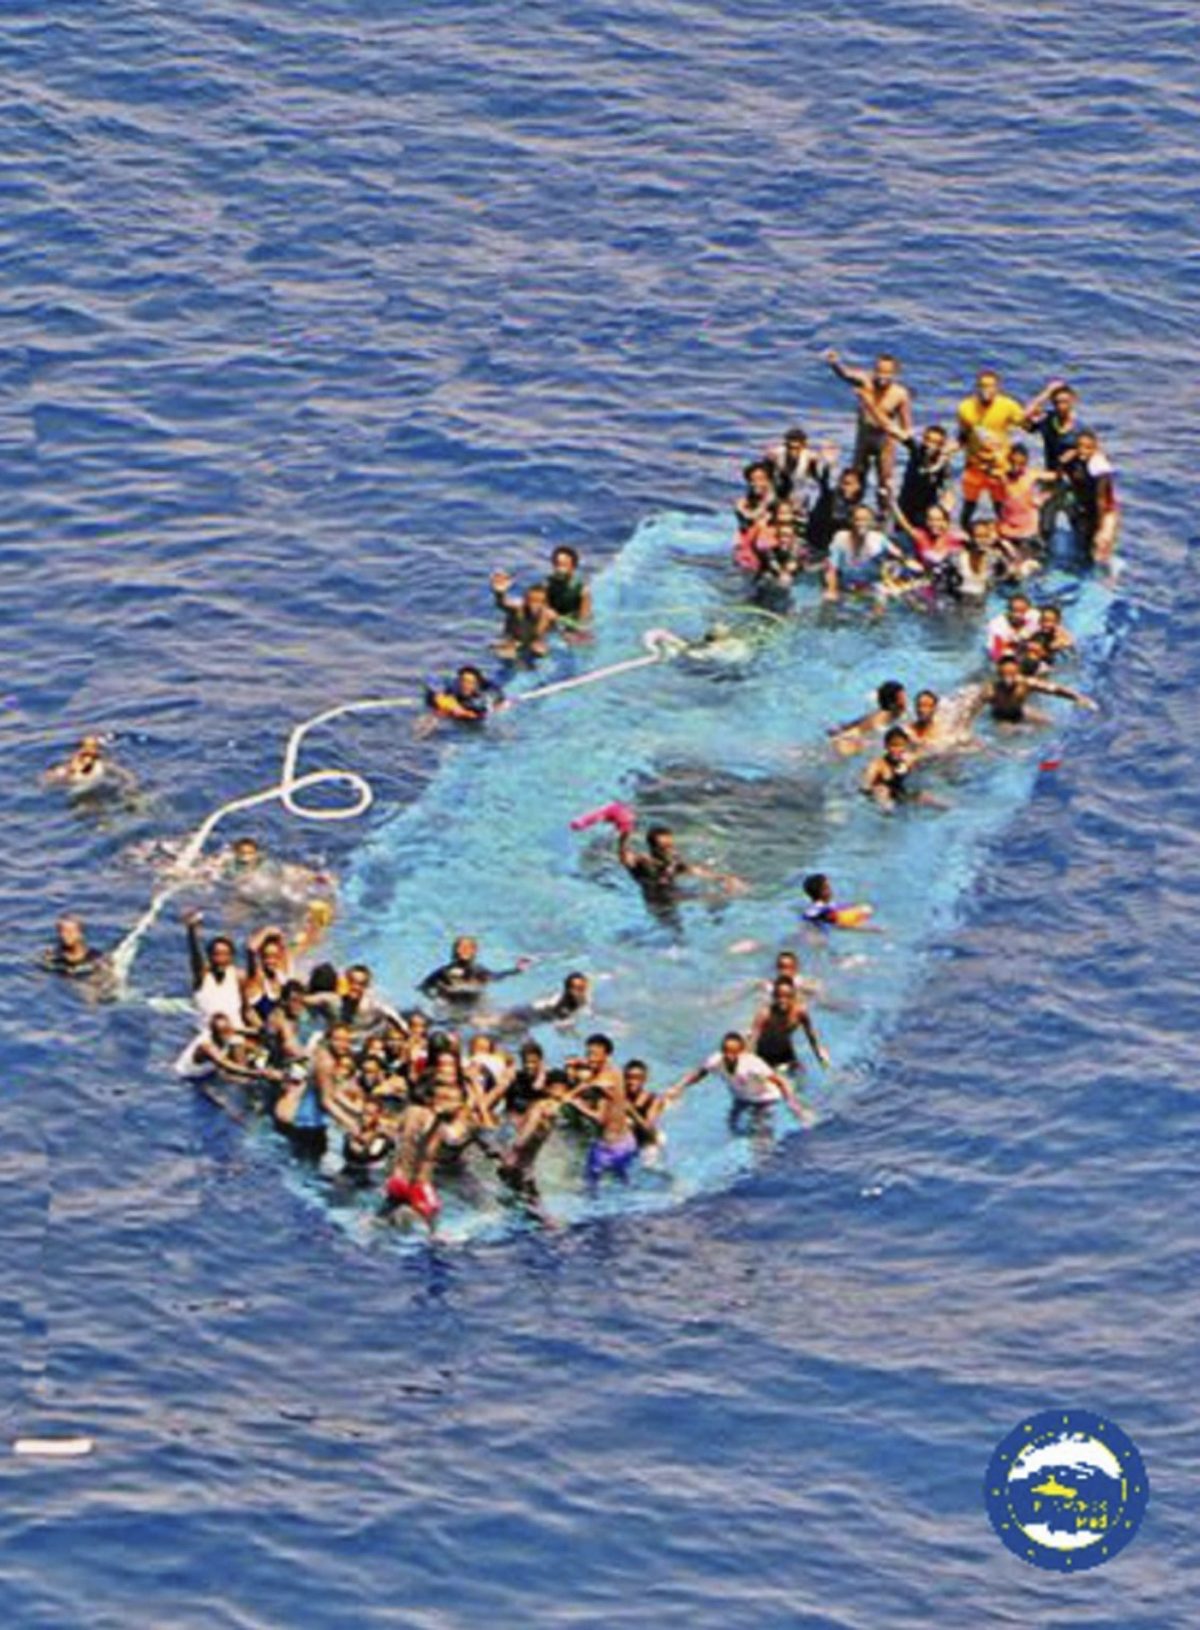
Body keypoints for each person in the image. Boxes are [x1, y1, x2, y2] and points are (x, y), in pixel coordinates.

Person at [957, 370, 1054, 527]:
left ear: (998, 388)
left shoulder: (1007, 405)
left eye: (990, 386)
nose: (986, 390)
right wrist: (949, 450)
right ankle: (965, 538)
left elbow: (1026, 424)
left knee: (1001, 507)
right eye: (982, 386)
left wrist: (1045, 398)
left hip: (1000, 466)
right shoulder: (965, 407)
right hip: (974, 465)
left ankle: (1006, 536)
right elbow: (964, 435)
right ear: (976, 387)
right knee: (969, 505)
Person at [667, 1031, 813, 1125]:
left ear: (741, 1051)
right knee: (732, 1125)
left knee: (760, 1130)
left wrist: (794, 1106)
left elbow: (779, 1082)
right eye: (726, 1051)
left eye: (733, 1052)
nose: (729, 1056)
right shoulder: (716, 1060)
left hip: (765, 1099)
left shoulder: (753, 1064)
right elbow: (699, 1073)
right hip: (741, 1098)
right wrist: (679, 1087)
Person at [823, 350, 913, 498]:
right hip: (864, 438)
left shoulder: (900, 394)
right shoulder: (865, 381)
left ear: (895, 373)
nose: (882, 375)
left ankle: (883, 513)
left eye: (887, 372)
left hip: (885, 441)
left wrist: (905, 438)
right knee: (856, 479)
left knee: (885, 483)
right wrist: (835, 363)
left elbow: (906, 426)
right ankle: (853, 511)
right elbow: (845, 374)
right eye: (879, 370)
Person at [617, 823, 741, 914]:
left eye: (671, 846)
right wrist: (624, 837)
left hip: (674, 895)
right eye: (665, 848)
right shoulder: (643, 864)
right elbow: (624, 857)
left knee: (715, 897)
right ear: (653, 849)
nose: (670, 851)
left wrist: (724, 878)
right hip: (657, 902)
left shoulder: (673, 862)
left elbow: (696, 871)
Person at [971, 655, 1097, 727]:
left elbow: (1055, 689)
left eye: (1012, 674)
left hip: (1020, 711)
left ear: (1018, 672)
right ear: (999, 674)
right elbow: (972, 710)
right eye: (1005, 674)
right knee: (1010, 734)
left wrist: (1077, 697)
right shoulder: (990, 689)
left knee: (1051, 723)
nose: (1008, 678)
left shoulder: (1026, 683)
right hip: (1001, 719)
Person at [380, 1098, 445, 1231]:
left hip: (398, 1179)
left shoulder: (409, 1111)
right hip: (419, 1186)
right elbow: (426, 1141)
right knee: (432, 1230)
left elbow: (394, 1131)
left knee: (383, 1219)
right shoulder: (433, 1120)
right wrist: (438, 1122)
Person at [419, 936, 532, 1009]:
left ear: (474, 951)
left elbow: (496, 977)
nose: (464, 950)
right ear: (455, 951)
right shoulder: (444, 972)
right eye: (461, 947)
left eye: (469, 947)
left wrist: (517, 969)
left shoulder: (479, 971)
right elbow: (422, 987)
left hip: (476, 1007)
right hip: (452, 1008)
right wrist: (436, 998)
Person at [749, 975, 830, 1072]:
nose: (783, 1000)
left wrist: (818, 1053)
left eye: (788, 996)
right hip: (764, 1054)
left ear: (794, 996)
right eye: (778, 996)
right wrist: (750, 1063)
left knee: (801, 1072)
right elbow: (753, 1040)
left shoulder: (800, 1013)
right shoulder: (765, 1015)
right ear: (773, 996)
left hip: (786, 1052)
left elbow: (810, 1034)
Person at [1063, 430, 1120, 564]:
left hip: (1105, 511)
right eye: (1080, 446)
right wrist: (1063, 462)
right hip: (1084, 507)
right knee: (1082, 543)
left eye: (1088, 447)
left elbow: (1100, 499)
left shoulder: (1100, 468)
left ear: (1095, 448)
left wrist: (1100, 528)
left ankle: (1107, 575)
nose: (1083, 450)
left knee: (1101, 546)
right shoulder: (1074, 461)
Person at [184, 910, 244, 1026]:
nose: (220, 959)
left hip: (235, 1032)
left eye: (225, 955)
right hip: (208, 1035)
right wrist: (192, 931)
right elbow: (196, 956)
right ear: (210, 957)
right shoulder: (202, 977)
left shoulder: (238, 977)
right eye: (216, 954)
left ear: (231, 958)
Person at [823, 505, 894, 601]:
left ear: (872, 522)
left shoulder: (879, 540)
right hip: (846, 587)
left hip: (872, 588)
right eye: (857, 520)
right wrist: (832, 589)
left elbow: (900, 558)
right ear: (851, 521)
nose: (861, 524)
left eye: (866, 520)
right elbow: (832, 567)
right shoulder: (840, 538)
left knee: (882, 595)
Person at [862, 726, 942, 810]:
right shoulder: (877, 765)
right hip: (880, 797)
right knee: (882, 790)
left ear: (906, 745)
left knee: (925, 796)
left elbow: (929, 756)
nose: (897, 749)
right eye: (893, 745)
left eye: (901, 745)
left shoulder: (909, 760)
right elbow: (864, 788)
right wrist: (874, 793)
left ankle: (951, 810)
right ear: (886, 746)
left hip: (900, 795)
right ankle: (887, 814)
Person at [43, 735, 137, 802]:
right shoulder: (69, 767)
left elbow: (126, 775)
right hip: (81, 789)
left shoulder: (102, 763)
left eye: (92, 746)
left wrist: (130, 785)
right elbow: (48, 778)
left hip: (89, 788)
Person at [997, 443, 1053, 552]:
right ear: (1007, 461)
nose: (1016, 467)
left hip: (1029, 529)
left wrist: (1043, 497)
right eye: (1012, 462)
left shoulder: (1032, 475)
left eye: (1020, 464)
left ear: (1026, 463)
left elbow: (1058, 478)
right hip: (1008, 528)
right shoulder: (1002, 477)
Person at [828, 680, 908, 756]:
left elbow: (858, 722)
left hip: (844, 738)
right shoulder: (880, 719)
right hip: (844, 744)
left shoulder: (881, 713)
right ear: (893, 704)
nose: (906, 701)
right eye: (903, 698)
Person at [490, 572, 558, 661]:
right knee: (507, 654)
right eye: (531, 600)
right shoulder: (517, 608)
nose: (534, 604)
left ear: (545, 603)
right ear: (525, 600)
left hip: (531, 643)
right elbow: (502, 603)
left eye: (539, 601)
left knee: (541, 652)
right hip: (511, 642)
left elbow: (553, 633)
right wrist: (499, 593)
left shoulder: (549, 616)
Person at [806, 466, 865, 560]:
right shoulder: (829, 500)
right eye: (841, 483)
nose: (842, 487)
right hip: (820, 550)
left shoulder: (861, 509)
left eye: (847, 484)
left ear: (858, 487)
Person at [423, 665, 499, 726]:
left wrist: (464, 713)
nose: (465, 685)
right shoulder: (452, 689)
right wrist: (451, 707)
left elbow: (483, 713)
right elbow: (435, 696)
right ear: (458, 680)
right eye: (463, 680)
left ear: (476, 685)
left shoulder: (482, 699)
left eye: (470, 682)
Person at [41, 914, 108, 980]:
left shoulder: (96, 958)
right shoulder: (52, 956)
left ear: (80, 933)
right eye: (61, 932)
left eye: (69, 932)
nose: (63, 936)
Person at [800, 875, 876, 931]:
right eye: (829, 887)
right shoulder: (823, 912)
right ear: (824, 892)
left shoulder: (817, 908)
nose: (832, 890)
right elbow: (842, 926)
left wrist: (863, 891)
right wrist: (874, 929)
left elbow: (850, 905)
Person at [544, 546, 593, 629]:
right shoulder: (548, 584)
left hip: (573, 625)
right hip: (554, 624)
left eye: (564, 565)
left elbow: (584, 625)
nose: (560, 569)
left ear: (573, 567)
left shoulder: (583, 591)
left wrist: (559, 618)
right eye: (557, 564)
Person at [987, 593, 1041, 661]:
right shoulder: (999, 624)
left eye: (1024, 611)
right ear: (1009, 611)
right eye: (1015, 611)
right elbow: (995, 654)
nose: (1020, 615)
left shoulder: (1035, 616)